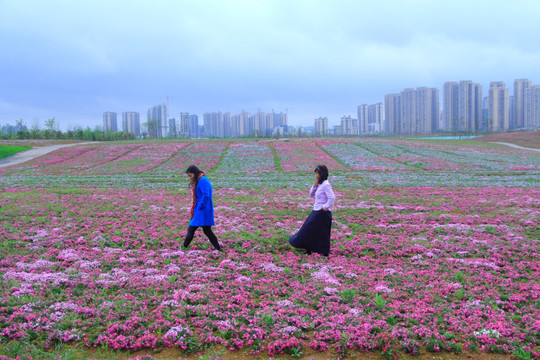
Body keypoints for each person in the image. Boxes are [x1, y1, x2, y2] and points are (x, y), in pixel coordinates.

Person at [289, 165, 335, 256]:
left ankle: (323, 251)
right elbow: (311, 194)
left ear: (321, 174)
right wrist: (314, 185)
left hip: (322, 213)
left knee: (315, 231)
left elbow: (332, 198)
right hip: (317, 210)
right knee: (310, 231)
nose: (316, 175)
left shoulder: (326, 184)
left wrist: (325, 207)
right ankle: (309, 248)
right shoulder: (320, 184)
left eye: (317, 173)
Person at [182, 165, 223, 252]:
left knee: (192, 228)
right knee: (207, 230)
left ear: (195, 173)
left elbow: (206, 195)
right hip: (201, 208)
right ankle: (218, 248)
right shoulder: (200, 180)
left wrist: (200, 206)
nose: (190, 178)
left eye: (190, 175)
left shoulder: (203, 180)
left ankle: (184, 247)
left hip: (203, 209)